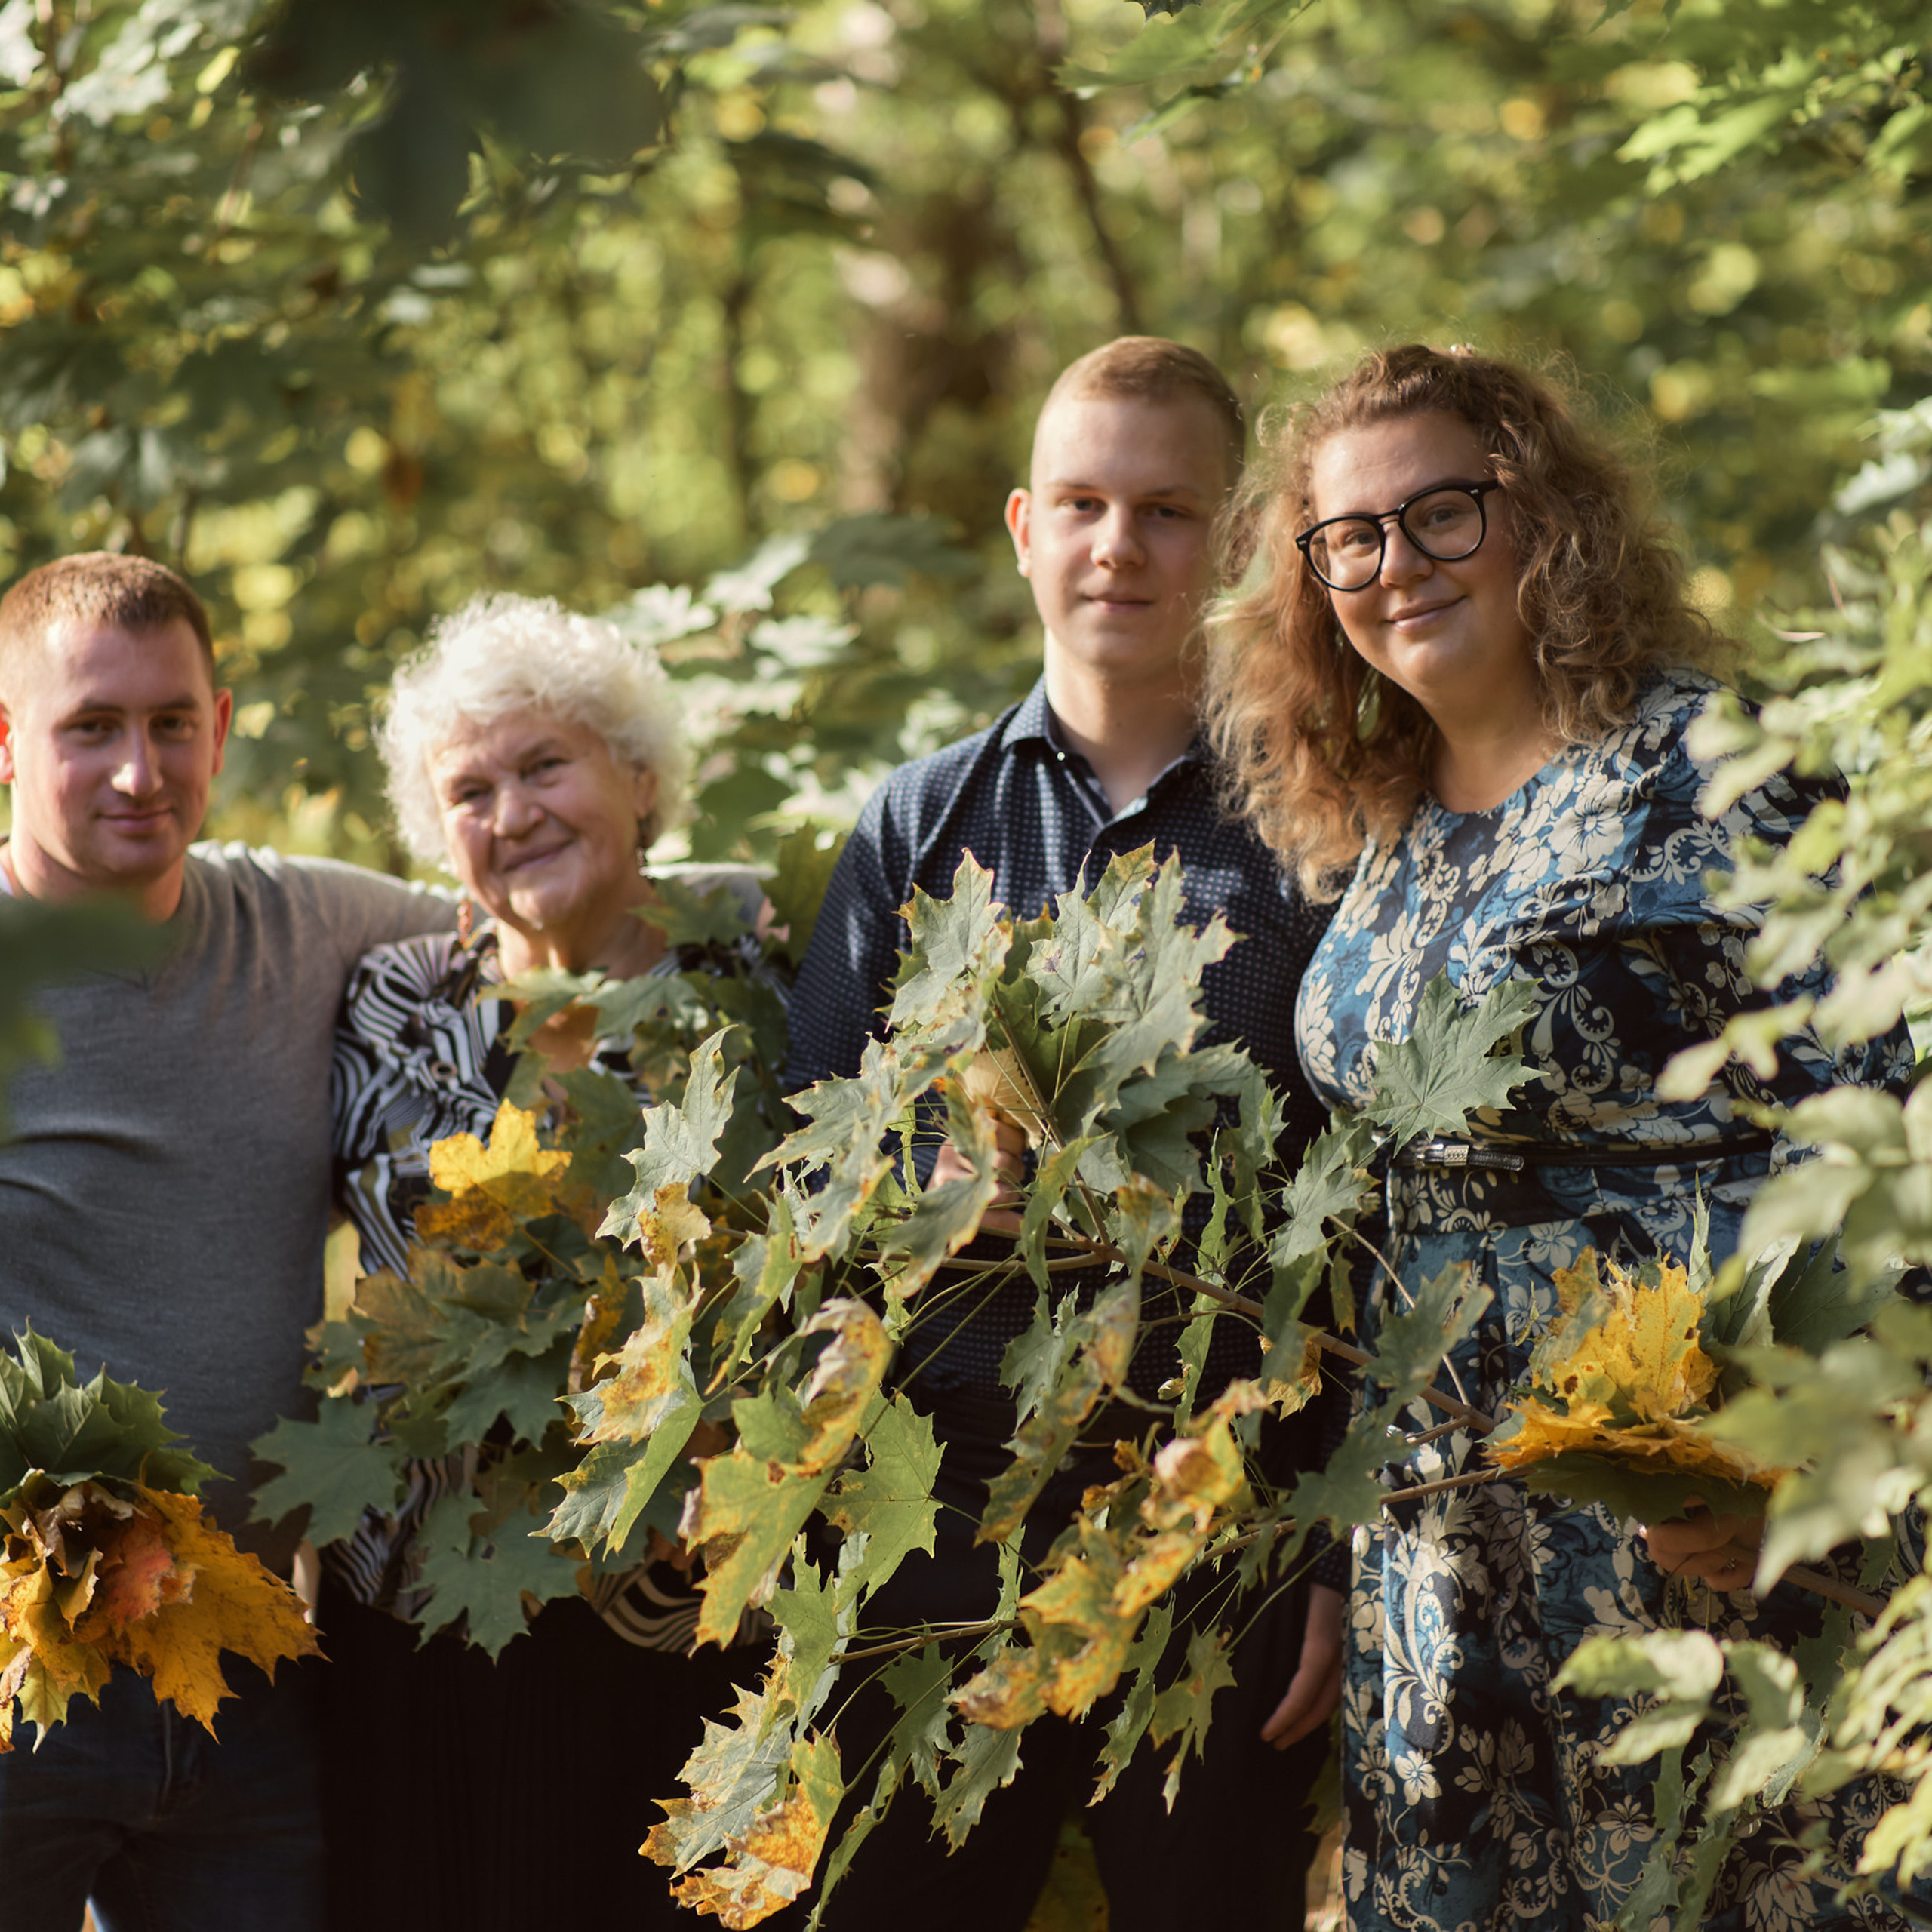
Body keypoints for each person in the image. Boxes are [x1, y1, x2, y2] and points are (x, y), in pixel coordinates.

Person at [1206, 341, 1916, 1931]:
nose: (1396, 565)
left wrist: (1791, 1449)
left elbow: (1890, 1124)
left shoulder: (1710, 762)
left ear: (1542, 517)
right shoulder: (1376, 816)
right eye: (1350, 539)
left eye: (1441, 512)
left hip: (1701, 1521)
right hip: (1449, 1547)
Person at [785, 337, 1342, 1931]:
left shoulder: (1311, 816)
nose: (1118, 545)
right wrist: (928, 1193)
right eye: (1085, 503)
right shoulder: (914, 826)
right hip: (941, 1529)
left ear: (1233, 542)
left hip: (1218, 1518)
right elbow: (811, 1156)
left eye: (1166, 509)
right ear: (1023, 528)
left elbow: (1368, 1204)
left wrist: (1324, 1539)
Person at [0, 553, 453, 1930]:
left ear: (221, 722)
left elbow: (545, 913)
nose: (140, 771)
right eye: (92, 728)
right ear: (7, 741)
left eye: (171, 724)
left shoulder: (304, 924)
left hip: (249, 1670)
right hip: (18, 1678)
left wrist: (798, 899)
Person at [321, 593, 771, 1932]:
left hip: (678, 1594)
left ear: (638, 777)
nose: (510, 812)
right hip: (428, 1601)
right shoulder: (390, 1001)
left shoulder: (754, 966)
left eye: (545, 766)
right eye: (469, 789)